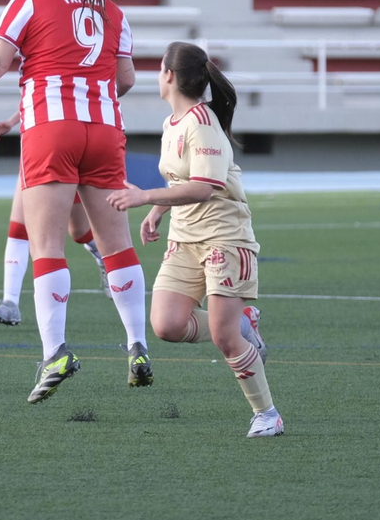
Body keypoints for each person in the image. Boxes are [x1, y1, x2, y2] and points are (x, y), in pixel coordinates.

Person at [0, 0, 149, 403]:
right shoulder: (108, 4)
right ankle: (137, 346)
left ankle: (56, 351)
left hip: (50, 125)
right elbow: (125, 79)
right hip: (104, 129)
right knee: (118, 245)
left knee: (46, 243)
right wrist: (94, 97)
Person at [108, 42, 281, 438]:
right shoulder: (173, 122)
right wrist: (158, 212)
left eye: (158, 70)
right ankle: (244, 324)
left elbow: (205, 187)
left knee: (224, 337)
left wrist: (145, 197)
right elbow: (181, 180)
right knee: (166, 324)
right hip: (185, 238)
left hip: (224, 235)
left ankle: (267, 414)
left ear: (169, 75)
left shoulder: (202, 122)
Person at [0, 107, 110, 326]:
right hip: (39, 141)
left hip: (76, 141)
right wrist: (12, 121)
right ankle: (10, 303)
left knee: (78, 231)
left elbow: (122, 83)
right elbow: (36, 90)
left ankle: (103, 256)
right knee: (20, 226)